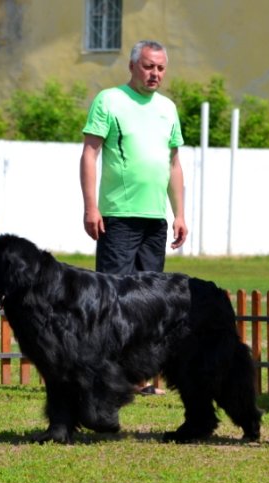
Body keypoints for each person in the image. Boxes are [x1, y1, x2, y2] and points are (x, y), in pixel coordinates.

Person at [79, 39, 189, 396]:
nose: (154, 73)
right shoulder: (109, 100)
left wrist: (180, 213)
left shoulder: (168, 109)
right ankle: (104, 377)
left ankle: (138, 378)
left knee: (148, 302)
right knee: (110, 300)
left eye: (160, 68)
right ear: (132, 66)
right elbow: (90, 154)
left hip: (154, 220)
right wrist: (91, 206)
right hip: (117, 217)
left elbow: (173, 164)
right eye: (147, 66)